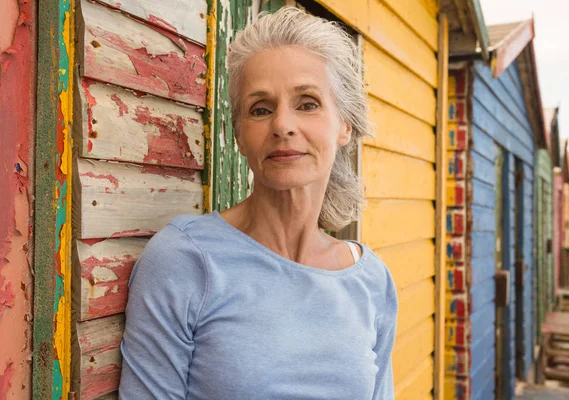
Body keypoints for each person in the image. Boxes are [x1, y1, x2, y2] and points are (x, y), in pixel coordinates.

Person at [118, 7, 398, 399]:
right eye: (261, 109)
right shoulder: (186, 260)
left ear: (345, 124)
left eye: (307, 103)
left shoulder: (372, 281)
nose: (283, 125)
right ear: (239, 136)